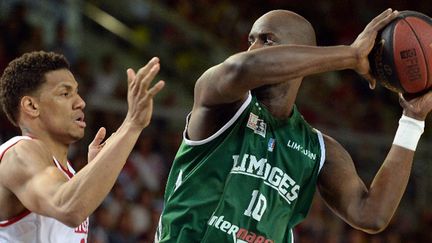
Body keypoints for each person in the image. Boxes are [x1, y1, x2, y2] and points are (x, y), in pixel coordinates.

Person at [156, 8, 432, 243]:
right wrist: (350, 55)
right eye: (251, 40)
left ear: (301, 55)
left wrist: (412, 120)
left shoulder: (319, 148)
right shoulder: (219, 102)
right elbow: (241, 68)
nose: (252, 48)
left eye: (267, 40)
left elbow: (371, 215)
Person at [0, 51, 164, 242]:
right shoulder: (20, 154)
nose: (80, 102)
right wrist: (132, 124)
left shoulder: (65, 172)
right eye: (65, 93)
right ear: (31, 106)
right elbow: (67, 207)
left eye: (76, 92)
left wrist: (96, 166)